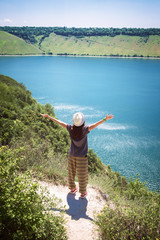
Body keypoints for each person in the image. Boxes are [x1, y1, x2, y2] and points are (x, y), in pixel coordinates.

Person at [40, 112, 113, 198]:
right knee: (82, 174)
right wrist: (105, 119)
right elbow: (96, 124)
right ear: (83, 122)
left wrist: (48, 117)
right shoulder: (85, 130)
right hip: (81, 157)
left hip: (72, 155)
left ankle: (72, 188)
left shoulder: (70, 128)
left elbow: (59, 122)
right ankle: (82, 193)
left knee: (71, 173)